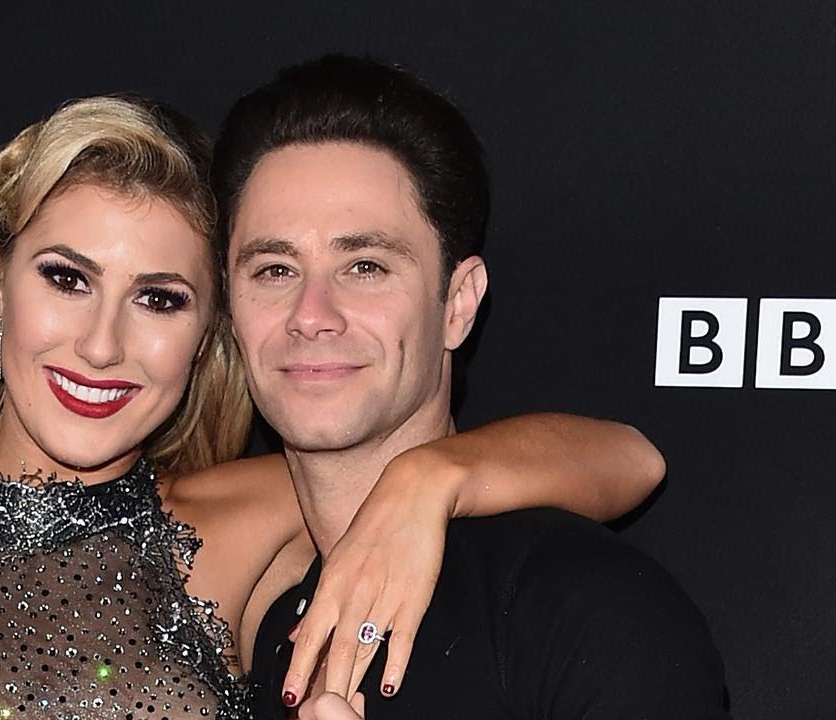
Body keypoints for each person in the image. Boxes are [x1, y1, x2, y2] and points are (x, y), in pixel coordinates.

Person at [0, 94, 666, 719]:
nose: (102, 344)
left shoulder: (261, 520)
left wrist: (428, 482)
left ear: (207, 334)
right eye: (67, 279)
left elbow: (629, 458)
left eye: (160, 298)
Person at [209, 55, 729, 718]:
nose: (311, 315)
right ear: (230, 307)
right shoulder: (261, 628)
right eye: (274, 270)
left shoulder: (581, 606)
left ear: (457, 303)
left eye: (365, 266)